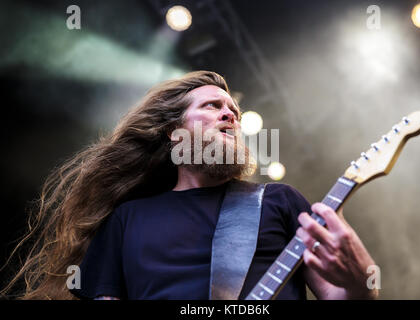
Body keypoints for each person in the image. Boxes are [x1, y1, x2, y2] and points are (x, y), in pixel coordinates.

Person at [1, 71, 378, 300]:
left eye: (233, 110)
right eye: (212, 106)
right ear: (175, 132)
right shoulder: (128, 219)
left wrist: (363, 282)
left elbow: (341, 295)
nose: (230, 113)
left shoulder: (278, 201)